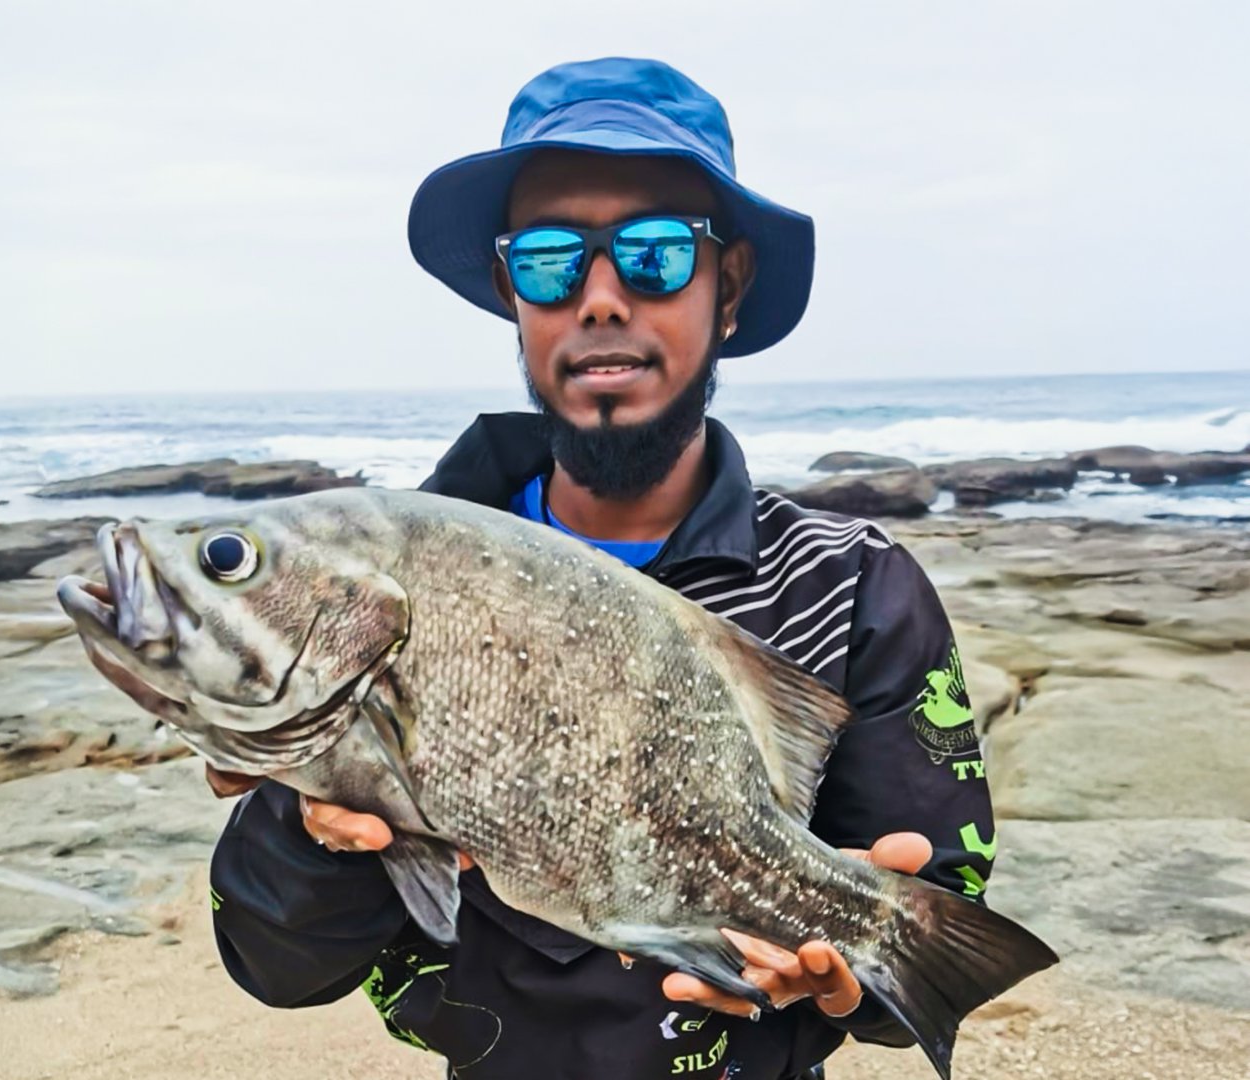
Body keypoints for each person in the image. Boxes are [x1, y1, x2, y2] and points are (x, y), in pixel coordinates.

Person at [205, 57, 996, 1079]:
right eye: (549, 260)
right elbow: (276, 967)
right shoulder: (383, 593)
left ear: (729, 286)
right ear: (512, 296)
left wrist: (849, 970)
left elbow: (927, 950)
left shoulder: (850, 588)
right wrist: (312, 817)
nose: (603, 298)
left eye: (656, 253)